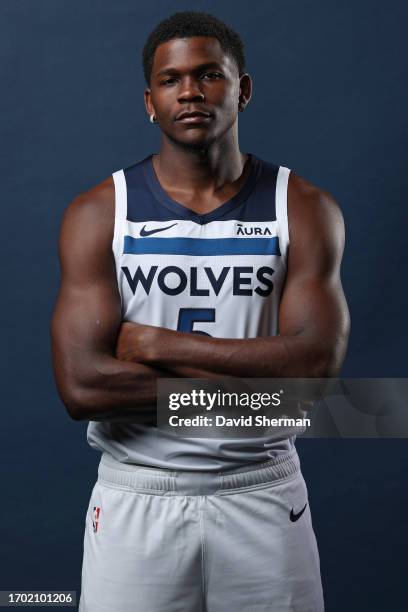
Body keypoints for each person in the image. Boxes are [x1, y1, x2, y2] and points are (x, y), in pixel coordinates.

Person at [51, 10, 350, 612]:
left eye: (210, 74)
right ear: (150, 102)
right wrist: (258, 384)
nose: (190, 91)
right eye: (172, 80)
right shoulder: (99, 212)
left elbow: (314, 380)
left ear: (243, 89)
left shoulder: (305, 208)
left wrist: (161, 346)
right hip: (139, 493)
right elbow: (82, 389)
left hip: (263, 493)